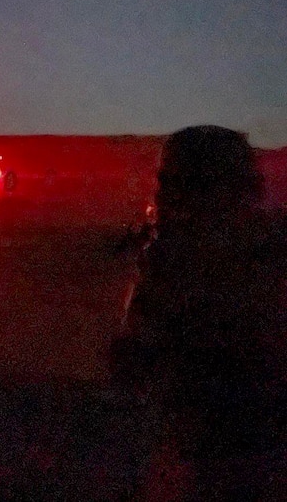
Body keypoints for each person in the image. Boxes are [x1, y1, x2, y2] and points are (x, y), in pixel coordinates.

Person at [111, 126, 286, 499]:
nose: (159, 195)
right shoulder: (266, 254)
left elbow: (130, 360)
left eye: (171, 183)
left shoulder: (176, 262)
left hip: (205, 458)